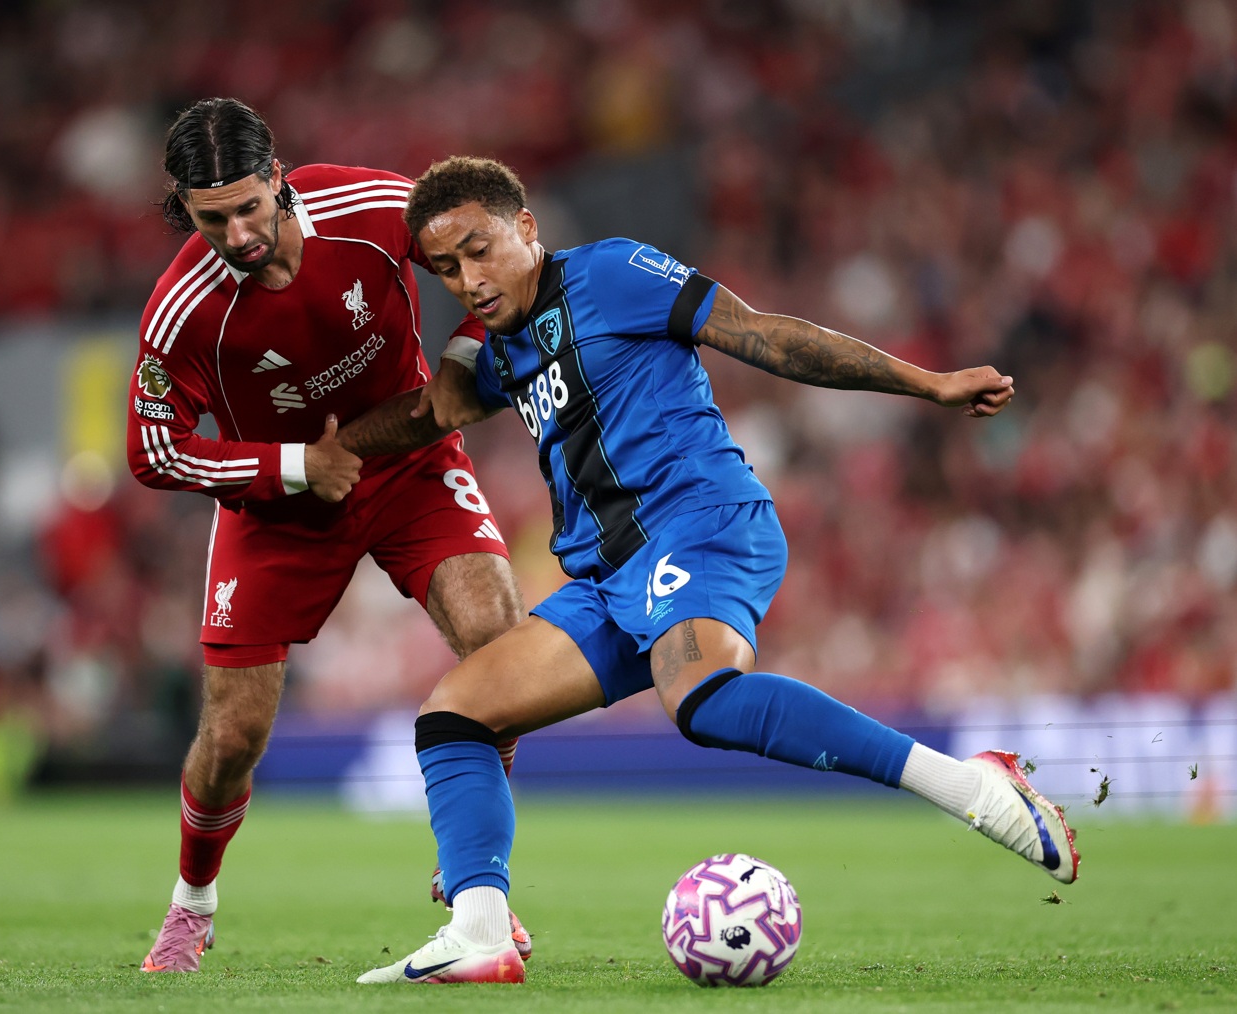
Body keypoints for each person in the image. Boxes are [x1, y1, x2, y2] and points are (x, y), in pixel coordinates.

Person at [344, 156, 1080, 985]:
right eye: (445, 269)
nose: (467, 279)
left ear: (526, 227)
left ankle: (974, 789)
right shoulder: (500, 347)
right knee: (455, 713)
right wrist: (317, 453)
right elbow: (432, 412)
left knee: (698, 694)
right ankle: (479, 931)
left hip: (700, 525)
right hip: (609, 579)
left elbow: (763, 333)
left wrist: (928, 383)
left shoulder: (614, 272)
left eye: (479, 251)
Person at [127, 101, 532, 972]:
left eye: (248, 207)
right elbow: (153, 451)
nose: (237, 234)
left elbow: (494, 268)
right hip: (278, 511)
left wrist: (461, 360)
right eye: (211, 219)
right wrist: (290, 469)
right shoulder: (182, 311)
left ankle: (475, 886)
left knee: (503, 652)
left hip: (409, 467)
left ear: (278, 177)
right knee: (233, 737)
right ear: (183, 212)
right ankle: (193, 902)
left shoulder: (377, 210)